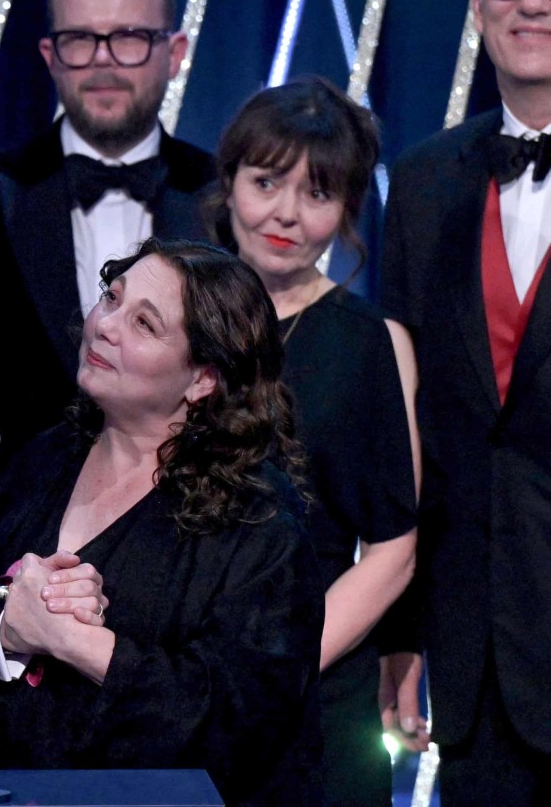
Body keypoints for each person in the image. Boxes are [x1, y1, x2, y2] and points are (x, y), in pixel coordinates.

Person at [0, 238, 323, 806]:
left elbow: (241, 722)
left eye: (145, 324)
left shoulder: (259, 521)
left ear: (203, 378)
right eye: (111, 298)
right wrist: (6, 615)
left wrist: (81, 644)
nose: (104, 325)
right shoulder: (43, 457)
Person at [0, 0, 214, 470]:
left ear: (175, 52)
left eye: (128, 37)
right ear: (51, 55)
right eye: (81, 39)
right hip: (13, 531)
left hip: (196, 524)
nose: (103, 60)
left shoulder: (224, 195)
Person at [208, 77, 418, 805]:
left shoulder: (367, 344)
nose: (286, 215)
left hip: (313, 693)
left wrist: (286, 661)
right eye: (267, 181)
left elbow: (393, 546)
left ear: (348, 211)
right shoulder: (159, 311)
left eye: (318, 194)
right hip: (163, 680)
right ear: (229, 178)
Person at [381, 0, 551, 799]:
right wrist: (403, 630)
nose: (533, 3)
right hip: (471, 654)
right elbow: (404, 436)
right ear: (478, 3)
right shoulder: (420, 180)